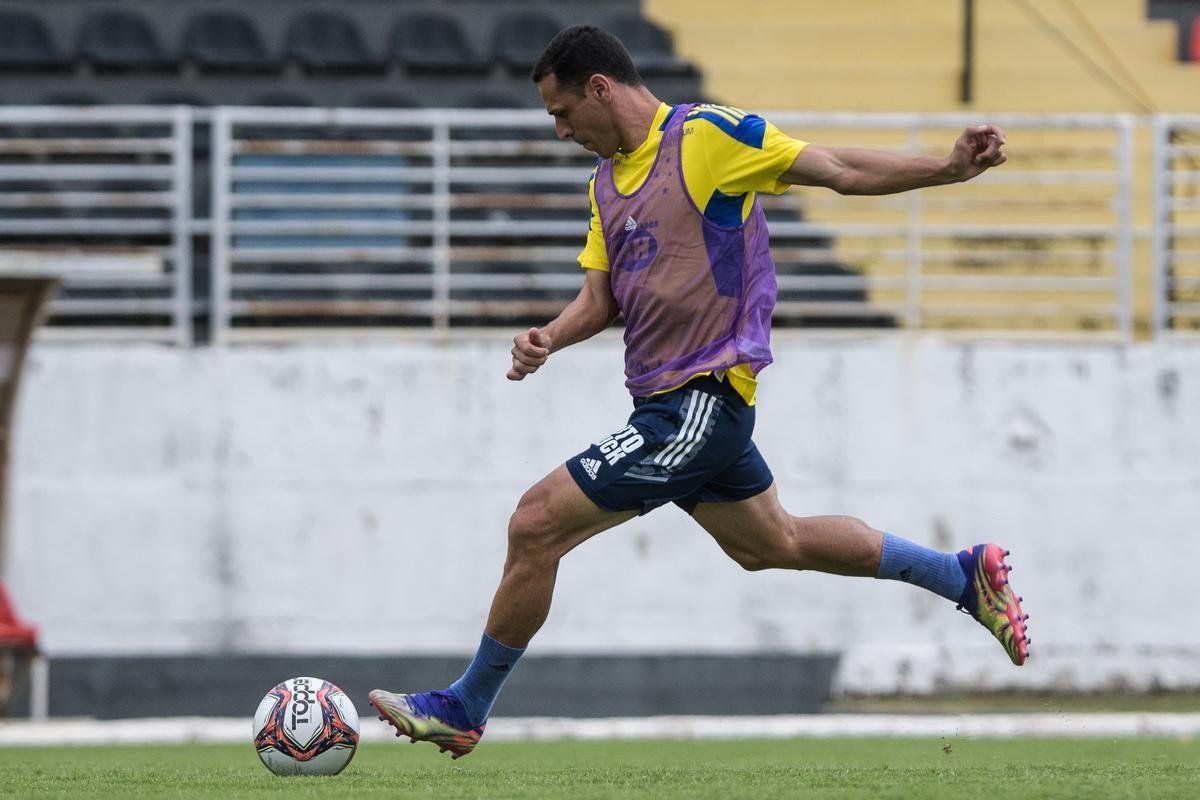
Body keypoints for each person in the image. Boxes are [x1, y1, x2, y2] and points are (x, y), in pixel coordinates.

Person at [370, 25, 1029, 758]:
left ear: (600, 88)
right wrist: (548, 338)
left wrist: (945, 168)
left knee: (534, 524)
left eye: (562, 113)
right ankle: (961, 575)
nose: (559, 132)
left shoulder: (709, 136)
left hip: (704, 397)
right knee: (772, 542)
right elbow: (600, 299)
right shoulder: (605, 184)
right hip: (663, 404)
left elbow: (837, 167)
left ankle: (466, 706)